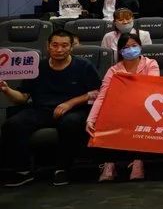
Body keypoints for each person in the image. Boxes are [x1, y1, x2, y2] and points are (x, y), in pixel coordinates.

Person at [1, 30, 100, 187]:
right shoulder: (37, 67)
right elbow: (22, 97)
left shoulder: (83, 66)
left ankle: (63, 169)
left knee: (70, 123)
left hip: (74, 110)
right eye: (55, 45)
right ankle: (23, 171)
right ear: (48, 46)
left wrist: (70, 103)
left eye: (64, 45)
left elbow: (96, 92)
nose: (59, 49)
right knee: (13, 124)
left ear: (71, 47)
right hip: (42, 109)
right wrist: (6, 90)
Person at [86, 32, 160, 182]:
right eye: (126, 47)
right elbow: (102, 95)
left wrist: (126, 80)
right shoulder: (113, 70)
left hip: (145, 107)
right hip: (120, 110)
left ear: (140, 47)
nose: (130, 49)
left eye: (134, 45)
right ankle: (109, 163)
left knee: (141, 118)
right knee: (104, 117)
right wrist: (91, 119)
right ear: (120, 51)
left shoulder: (151, 63)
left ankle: (138, 161)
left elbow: (152, 86)